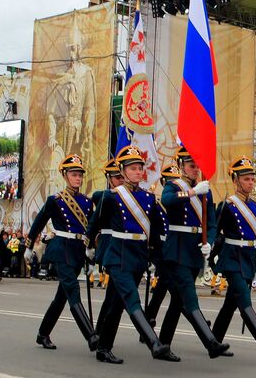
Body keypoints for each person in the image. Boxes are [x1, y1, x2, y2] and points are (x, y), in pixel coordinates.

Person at [86, 146, 175, 363]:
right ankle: (154, 343)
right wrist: (89, 247)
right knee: (132, 298)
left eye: (139, 168)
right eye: (132, 168)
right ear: (123, 171)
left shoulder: (148, 198)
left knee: (117, 303)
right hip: (117, 255)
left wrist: (155, 258)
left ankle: (103, 348)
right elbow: (96, 222)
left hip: (137, 256)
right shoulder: (111, 197)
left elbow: (154, 231)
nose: (137, 172)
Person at [157, 146, 230, 359]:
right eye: (191, 165)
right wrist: (191, 192)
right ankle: (211, 343)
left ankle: (162, 345)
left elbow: (212, 223)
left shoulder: (204, 191)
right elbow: (167, 201)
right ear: (181, 166)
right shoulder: (173, 186)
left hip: (194, 252)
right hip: (177, 251)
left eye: (197, 166)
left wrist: (211, 243)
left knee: (177, 302)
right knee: (189, 297)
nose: (196, 169)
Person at [23, 154, 98, 353]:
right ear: (65, 176)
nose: (78, 179)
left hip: (77, 251)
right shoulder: (55, 201)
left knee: (61, 297)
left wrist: (91, 254)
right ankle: (91, 335)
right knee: (73, 289)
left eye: (80, 175)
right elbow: (39, 223)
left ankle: (43, 333)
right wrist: (29, 247)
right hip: (60, 250)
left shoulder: (87, 202)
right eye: (74, 175)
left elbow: (90, 230)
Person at [210, 157, 256, 355]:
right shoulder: (227, 206)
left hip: (248, 258)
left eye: (252, 179)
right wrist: (212, 255)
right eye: (246, 179)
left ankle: (214, 343)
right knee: (243, 296)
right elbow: (215, 233)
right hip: (232, 258)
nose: (251, 183)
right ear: (236, 181)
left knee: (230, 303)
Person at [89, 158, 124, 364]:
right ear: (109, 179)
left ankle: (98, 333)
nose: (120, 180)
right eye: (117, 177)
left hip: (125, 250)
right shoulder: (105, 196)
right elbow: (97, 196)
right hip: (111, 247)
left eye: (122, 176)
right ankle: (102, 340)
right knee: (117, 296)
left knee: (113, 295)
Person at [145, 164, 178, 331]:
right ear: (164, 182)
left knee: (161, 289)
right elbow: (151, 230)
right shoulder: (157, 205)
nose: (174, 182)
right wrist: (150, 254)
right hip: (160, 251)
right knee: (174, 287)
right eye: (171, 180)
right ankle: (194, 316)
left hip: (173, 250)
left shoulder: (179, 204)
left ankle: (148, 319)